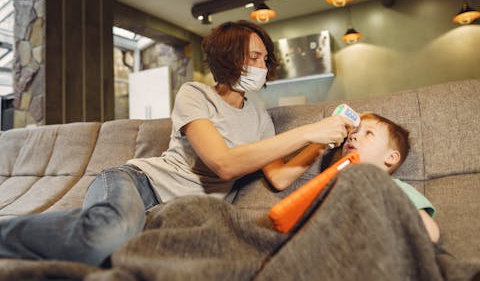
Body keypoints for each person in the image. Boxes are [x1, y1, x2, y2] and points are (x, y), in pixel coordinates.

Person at [0, 20, 354, 266]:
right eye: (254, 57)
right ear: (229, 58)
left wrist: (320, 144)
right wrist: (309, 131)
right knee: (109, 236)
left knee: (115, 244)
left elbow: (278, 178)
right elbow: (224, 163)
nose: (263, 65)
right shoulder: (194, 94)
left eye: (264, 58)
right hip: (138, 183)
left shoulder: (259, 116)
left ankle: (87, 222)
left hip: (172, 212)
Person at [262, 112, 440, 243]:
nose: (353, 136)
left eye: (368, 133)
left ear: (391, 158)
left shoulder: (394, 187)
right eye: (352, 133)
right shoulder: (329, 185)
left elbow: (430, 232)